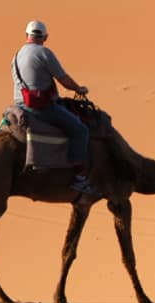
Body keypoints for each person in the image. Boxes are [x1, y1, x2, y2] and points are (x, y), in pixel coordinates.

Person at [13, 20, 97, 195]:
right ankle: (79, 178)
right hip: (39, 107)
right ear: (45, 37)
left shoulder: (16, 56)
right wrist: (78, 88)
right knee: (80, 130)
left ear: (26, 35)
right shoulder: (44, 53)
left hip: (19, 106)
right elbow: (63, 79)